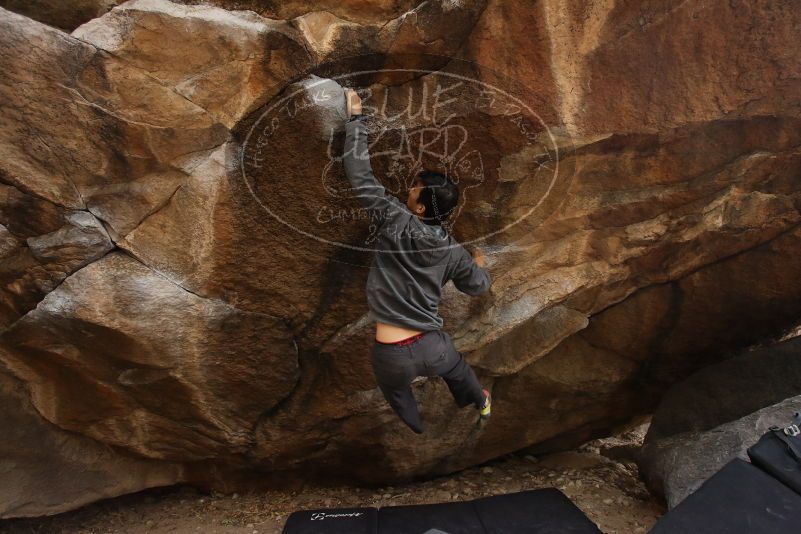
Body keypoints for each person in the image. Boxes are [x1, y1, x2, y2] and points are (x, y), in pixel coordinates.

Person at [342, 88, 492, 434]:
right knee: (458, 371)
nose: (409, 189)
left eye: (414, 188)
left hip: (392, 354)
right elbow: (477, 287)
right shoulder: (453, 251)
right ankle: (478, 400)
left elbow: (360, 175)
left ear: (420, 207)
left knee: (396, 391)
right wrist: (480, 265)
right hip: (434, 347)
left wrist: (356, 120)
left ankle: (415, 424)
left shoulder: (394, 219)